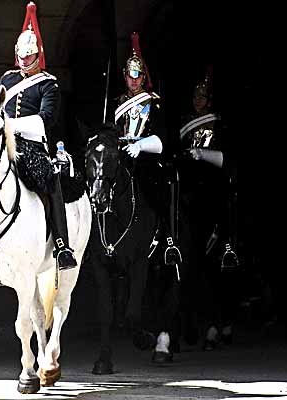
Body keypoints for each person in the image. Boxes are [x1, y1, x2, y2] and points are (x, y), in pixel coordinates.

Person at [0, 1, 77, 271]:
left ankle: (62, 245)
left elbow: (45, 120)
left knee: (50, 183)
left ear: (37, 55)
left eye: (29, 56)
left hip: (31, 147)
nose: (24, 61)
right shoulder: (6, 79)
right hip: (3, 145)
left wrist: (11, 125)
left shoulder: (48, 84)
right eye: (21, 56)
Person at [113, 32, 181, 362]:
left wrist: (139, 145)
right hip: (121, 166)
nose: (133, 79)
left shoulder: (155, 104)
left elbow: (164, 139)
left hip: (147, 166)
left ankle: (167, 238)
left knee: (157, 191)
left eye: (137, 74)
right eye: (129, 74)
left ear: (144, 77)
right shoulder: (116, 104)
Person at [177, 66, 239, 351]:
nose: (198, 100)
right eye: (195, 95)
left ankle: (228, 243)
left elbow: (229, 158)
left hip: (213, 183)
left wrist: (203, 154)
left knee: (223, 201)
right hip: (189, 188)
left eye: (203, 95)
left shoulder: (219, 124)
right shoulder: (185, 122)